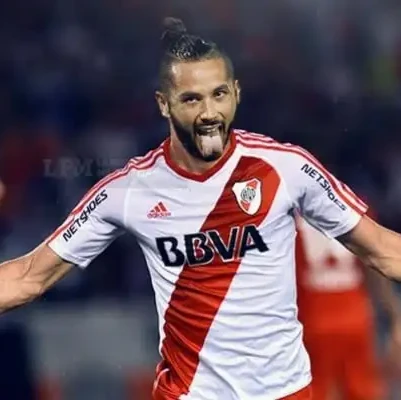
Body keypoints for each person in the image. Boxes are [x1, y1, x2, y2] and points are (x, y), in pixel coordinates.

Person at [1, 17, 401, 400]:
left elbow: (382, 249)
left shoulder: (286, 167)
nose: (209, 113)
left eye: (219, 94)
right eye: (191, 99)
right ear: (163, 104)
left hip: (284, 393)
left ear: (237, 92)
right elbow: (29, 277)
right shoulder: (128, 190)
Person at [296, 214, 401, 400]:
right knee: (362, 389)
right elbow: (374, 263)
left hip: (313, 318)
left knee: (315, 390)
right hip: (354, 315)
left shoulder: (285, 217)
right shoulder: (354, 210)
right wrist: (393, 314)